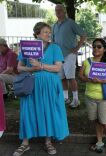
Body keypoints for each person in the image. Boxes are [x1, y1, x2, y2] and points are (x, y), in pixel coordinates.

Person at [13, 22, 69, 156]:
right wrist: (32, 68)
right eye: (45, 32)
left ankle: (48, 142)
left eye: (49, 32)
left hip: (50, 85)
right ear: (37, 34)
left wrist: (41, 65)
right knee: (28, 111)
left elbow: (57, 68)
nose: (49, 34)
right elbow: (19, 68)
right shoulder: (26, 47)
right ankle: (25, 143)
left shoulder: (55, 48)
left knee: (48, 111)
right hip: (31, 85)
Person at [78, 38, 106, 154]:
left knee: (105, 122)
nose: (96, 48)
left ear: (104, 49)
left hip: (105, 97)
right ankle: (99, 142)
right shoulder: (87, 61)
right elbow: (80, 76)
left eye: (99, 46)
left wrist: (103, 81)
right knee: (96, 121)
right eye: (94, 46)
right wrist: (88, 79)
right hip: (90, 97)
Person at [52, 4, 86, 108]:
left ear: (64, 11)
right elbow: (53, 40)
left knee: (71, 77)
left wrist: (77, 48)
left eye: (60, 10)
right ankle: (65, 98)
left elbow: (83, 34)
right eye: (56, 10)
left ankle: (76, 100)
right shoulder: (54, 25)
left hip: (69, 54)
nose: (58, 12)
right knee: (62, 77)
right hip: (58, 56)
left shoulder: (71, 23)